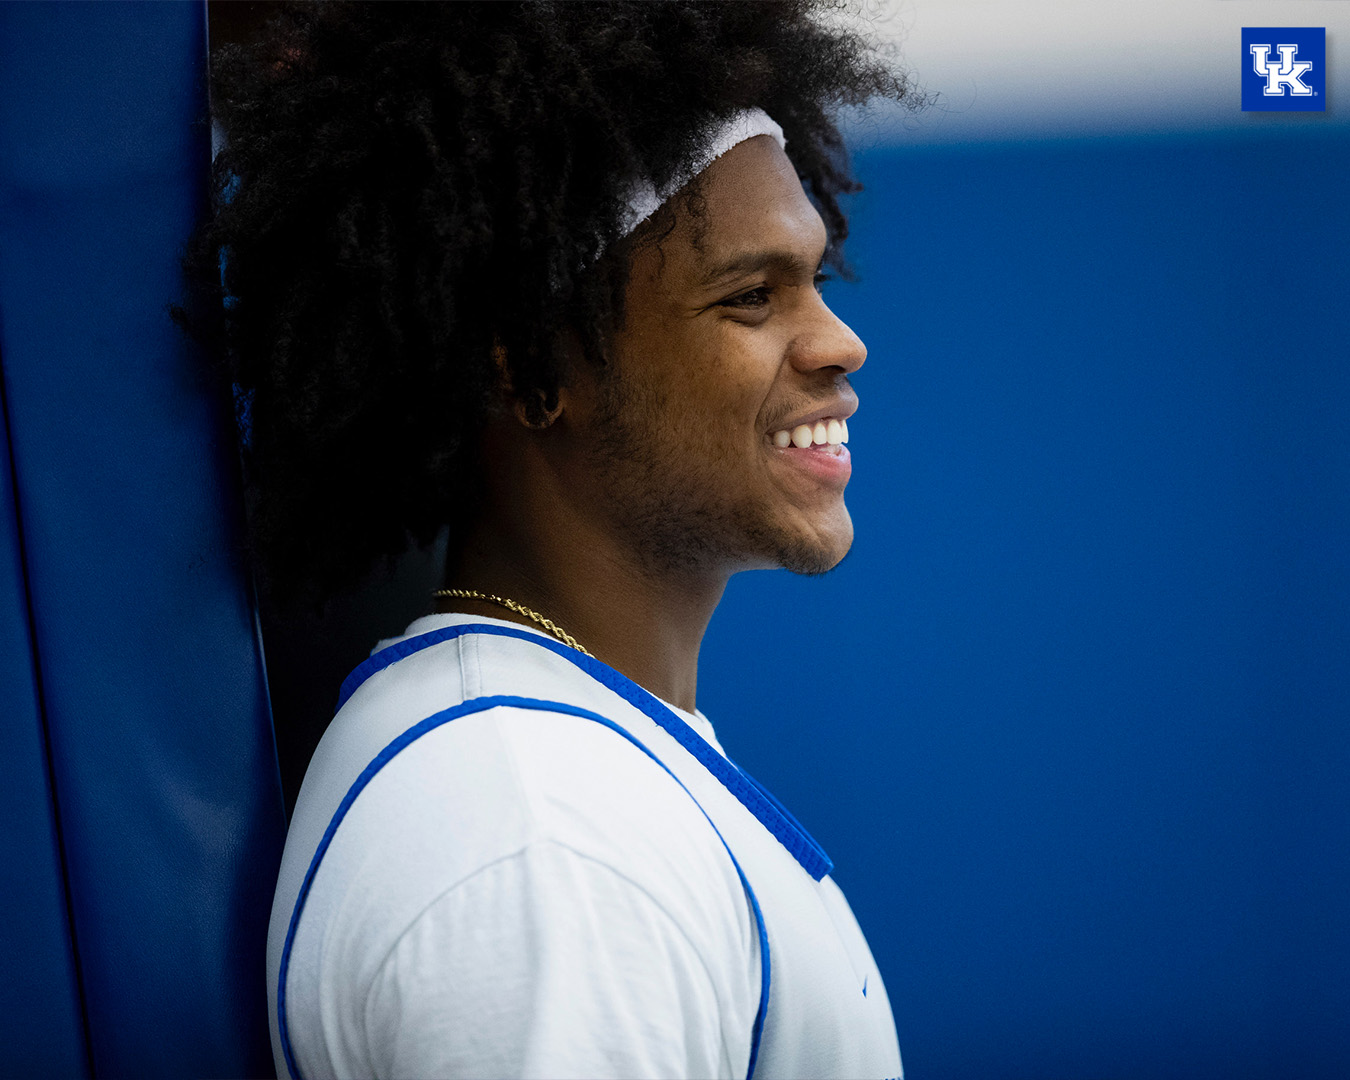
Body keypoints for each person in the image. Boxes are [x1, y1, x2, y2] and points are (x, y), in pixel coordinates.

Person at [190, 3, 915, 1076]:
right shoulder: (544, 848)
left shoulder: (563, 778)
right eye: (751, 297)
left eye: (817, 279)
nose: (839, 341)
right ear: (531, 374)